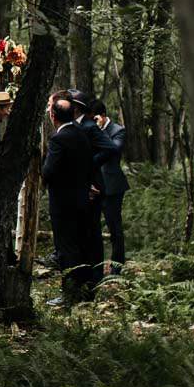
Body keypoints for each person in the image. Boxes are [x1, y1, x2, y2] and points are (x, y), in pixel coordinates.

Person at [42, 91, 104, 303]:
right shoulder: (81, 133)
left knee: (66, 248)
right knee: (81, 245)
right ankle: (85, 291)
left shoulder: (58, 139)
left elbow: (49, 171)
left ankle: (69, 293)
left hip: (63, 203)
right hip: (82, 200)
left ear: (53, 116)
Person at [79, 92, 129, 271]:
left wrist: (99, 132)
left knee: (114, 228)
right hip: (94, 185)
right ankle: (94, 268)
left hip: (112, 186)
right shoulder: (89, 130)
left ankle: (117, 268)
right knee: (92, 228)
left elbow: (114, 149)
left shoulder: (118, 130)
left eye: (95, 118)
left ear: (103, 115)